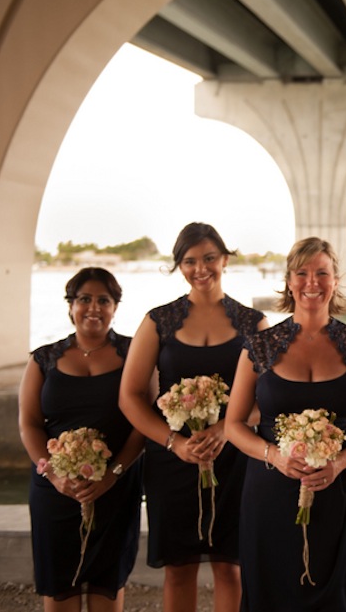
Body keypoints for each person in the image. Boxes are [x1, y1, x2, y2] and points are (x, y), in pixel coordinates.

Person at [119, 223, 267, 612]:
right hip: (172, 462)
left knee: (230, 567)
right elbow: (130, 397)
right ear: (178, 266)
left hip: (234, 458)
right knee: (178, 568)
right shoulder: (158, 321)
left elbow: (265, 400)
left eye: (209, 258)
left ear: (225, 259)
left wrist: (224, 429)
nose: (201, 268)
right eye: (189, 261)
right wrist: (176, 443)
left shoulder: (254, 324)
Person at [226, 237, 346, 611]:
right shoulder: (259, 346)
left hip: (337, 491)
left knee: (335, 597)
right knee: (271, 593)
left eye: (322, 273)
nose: (313, 282)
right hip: (270, 492)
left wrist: (340, 462)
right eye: (303, 273)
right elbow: (233, 425)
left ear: (336, 280)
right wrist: (274, 455)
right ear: (289, 281)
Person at [19, 267, 144, 611]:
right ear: (70, 306)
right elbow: (29, 424)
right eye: (84, 299)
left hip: (116, 486)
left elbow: (143, 424)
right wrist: (54, 474)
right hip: (55, 490)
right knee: (61, 587)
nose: (93, 307)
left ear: (115, 307)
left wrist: (112, 474)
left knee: (107, 584)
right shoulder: (43, 358)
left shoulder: (135, 353)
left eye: (103, 300)